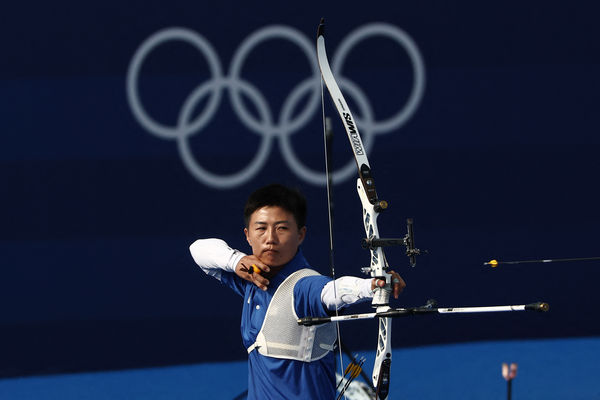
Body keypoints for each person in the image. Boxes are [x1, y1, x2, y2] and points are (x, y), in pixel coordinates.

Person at [189, 183, 405, 400]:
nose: (270, 238)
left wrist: (372, 285)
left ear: (300, 234)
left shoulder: (305, 286)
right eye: (261, 228)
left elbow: (332, 291)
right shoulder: (252, 278)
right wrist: (235, 260)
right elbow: (198, 250)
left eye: (282, 228)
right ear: (247, 235)